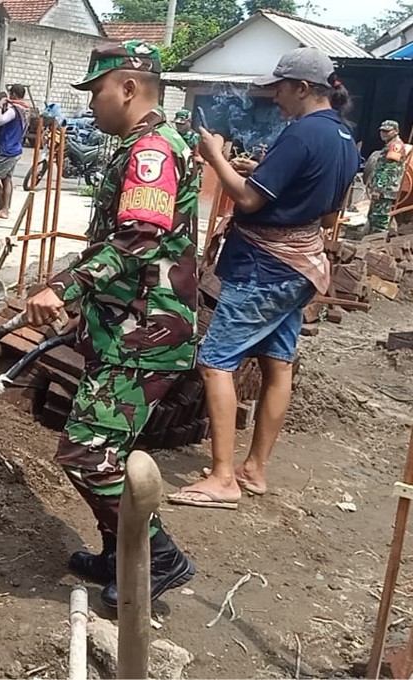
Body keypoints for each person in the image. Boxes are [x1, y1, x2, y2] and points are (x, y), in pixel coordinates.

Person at [22, 40, 198, 608]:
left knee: (87, 452)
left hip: (145, 333)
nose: (91, 103)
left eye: (96, 90)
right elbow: (115, 239)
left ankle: (157, 556)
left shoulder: (153, 150)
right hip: (125, 328)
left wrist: (65, 289)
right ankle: (118, 550)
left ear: (127, 87)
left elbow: (139, 236)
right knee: (101, 450)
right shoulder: (139, 145)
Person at [168, 47, 360, 509]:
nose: (275, 98)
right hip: (301, 263)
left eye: (280, 89)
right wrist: (261, 173)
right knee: (278, 362)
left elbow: (250, 201)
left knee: (216, 361)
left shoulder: (302, 133)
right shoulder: (343, 136)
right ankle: (254, 469)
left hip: (264, 267)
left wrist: (215, 156)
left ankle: (223, 477)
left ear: (303, 88)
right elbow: (327, 210)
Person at [0, 84, 29, 219]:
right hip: (15, 148)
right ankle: (5, 208)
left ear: (14, 95)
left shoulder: (14, 110)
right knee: (7, 179)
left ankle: (3, 208)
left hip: (7, 150)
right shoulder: (24, 108)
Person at [365, 119, 407, 234]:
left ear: (396, 131)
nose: (383, 133)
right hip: (382, 190)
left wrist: (379, 188)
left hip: (385, 190)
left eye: (387, 131)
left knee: (379, 219)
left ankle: (378, 242)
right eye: (382, 131)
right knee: (373, 217)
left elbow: (389, 169)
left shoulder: (395, 146)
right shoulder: (389, 145)